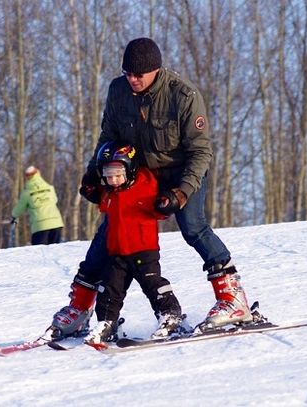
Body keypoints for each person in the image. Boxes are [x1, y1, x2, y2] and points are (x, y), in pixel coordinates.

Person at [50, 37, 252, 339]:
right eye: (128, 73)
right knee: (110, 232)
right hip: (142, 176)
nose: (132, 79)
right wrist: (94, 175)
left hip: (183, 171)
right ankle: (79, 307)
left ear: (155, 70)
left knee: (193, 227)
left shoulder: (183, 95)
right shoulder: (118, 91)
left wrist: (181, 192)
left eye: (138, 75)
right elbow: (108, 136)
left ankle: (232, 299)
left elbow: (201, 152)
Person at [83, 142, 183, 344]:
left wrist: (165, 203)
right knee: (109, 290)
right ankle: (106, 323)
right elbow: (101, 202)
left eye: (118, 173)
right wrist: (90, 189)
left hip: (143, 251)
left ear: (130, 169)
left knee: (153, 285)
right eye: (108, 174)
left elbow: (159, 209)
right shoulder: (109, 192)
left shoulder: (145, 185)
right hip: (117, 253)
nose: (113, 179)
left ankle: (170, 315)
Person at [11, 166, 64, 245]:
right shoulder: (50, 188)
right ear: (38, 174)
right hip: (56, 223)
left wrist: (13, 215)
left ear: (27, 177)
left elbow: (19, 209)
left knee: (39, 254)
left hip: (40, 226)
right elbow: (55, 200)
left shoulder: (27, 193)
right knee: (54, 253)